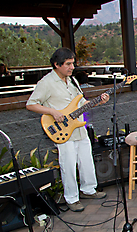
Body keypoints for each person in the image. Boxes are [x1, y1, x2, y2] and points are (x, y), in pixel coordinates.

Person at [26, 48, 109, 212]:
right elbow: (31, 104)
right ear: (57, 64)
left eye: (73, 63)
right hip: (63, 132)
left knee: (87, 161)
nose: (72, 67)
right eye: (68, 64)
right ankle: (72, 198)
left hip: (79, 128)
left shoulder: (72, 81)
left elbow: (82, 103)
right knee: (68, 165)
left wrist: (98, 101)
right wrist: (52, 112)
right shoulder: (46, 83)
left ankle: (89, 189)